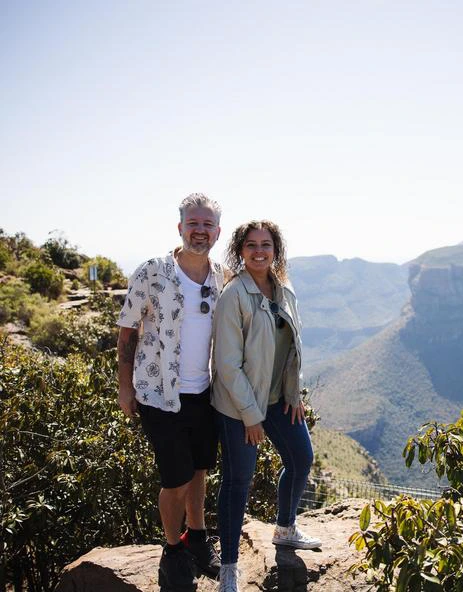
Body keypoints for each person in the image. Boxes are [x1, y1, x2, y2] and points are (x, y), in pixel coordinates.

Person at [117, 193, 224, 592]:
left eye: (207, 224)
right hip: (158, 394)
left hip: (205, 393)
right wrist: (124, 386)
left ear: (217, 231)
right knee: (176, 478)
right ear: (180, 228)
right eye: (193, 223)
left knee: (199, 471)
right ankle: (172, 553)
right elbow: (128, 329)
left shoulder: (221, 277)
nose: (200, 230)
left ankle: (196, 538)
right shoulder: (152, 272)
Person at [212, 220, 321, 592]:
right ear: (240, 251)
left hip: (277, 399)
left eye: (267, 245)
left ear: (276, 250)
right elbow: (226, 364)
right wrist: (251, 416)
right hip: (238, 405)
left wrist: (294, 393)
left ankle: (285, 528)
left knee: (301, 458)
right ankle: (228, 567)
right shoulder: (233, 295)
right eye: (252, 245)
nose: (259, 252)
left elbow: (293, 347)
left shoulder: (284, 289)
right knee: (238, 481)